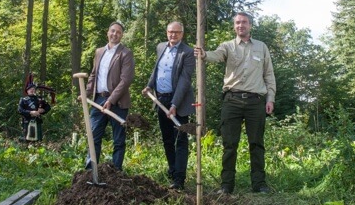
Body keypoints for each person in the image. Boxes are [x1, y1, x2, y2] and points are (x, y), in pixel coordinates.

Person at [194, 12, 276, 194]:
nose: (241, 25)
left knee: (257, 144)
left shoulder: (261, 47)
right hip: (232, 101)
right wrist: (204, 54)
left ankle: (259, 184)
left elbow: (269, 74)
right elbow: (216, 55)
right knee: (230, 144)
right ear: (234, 26)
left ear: (250, 25)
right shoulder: (228, 46)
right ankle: (226, 185)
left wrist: (270, 98)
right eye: (237, 23)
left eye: (244, 22)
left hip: (256, 102)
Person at [142, 21, 196, 190]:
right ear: (167, 32)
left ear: (182, 33)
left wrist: (174, 104)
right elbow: (157, 69)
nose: (173, 35)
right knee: (167, 139)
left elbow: (185, 80)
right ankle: (173, 171)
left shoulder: (187, 52)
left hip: (178, 101)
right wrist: (149, 85)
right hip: (160, 100)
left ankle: (180, 179)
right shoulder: (160, 47)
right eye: (170, 32)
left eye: (177, 32)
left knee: (180, 139)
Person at [84, 21, 135, 171]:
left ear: (122, 35)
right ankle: (90, 171)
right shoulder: (99, 51)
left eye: (118, 32)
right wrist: (86, 93)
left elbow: (126, 80)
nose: (115, 34)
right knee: (94, 138)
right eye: (112, 31)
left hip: (118, 103)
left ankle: (116, 172)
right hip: (98, 100)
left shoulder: (126, 53)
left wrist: (111, 100)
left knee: (118, 140)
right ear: (108, 32)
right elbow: (94, 75)